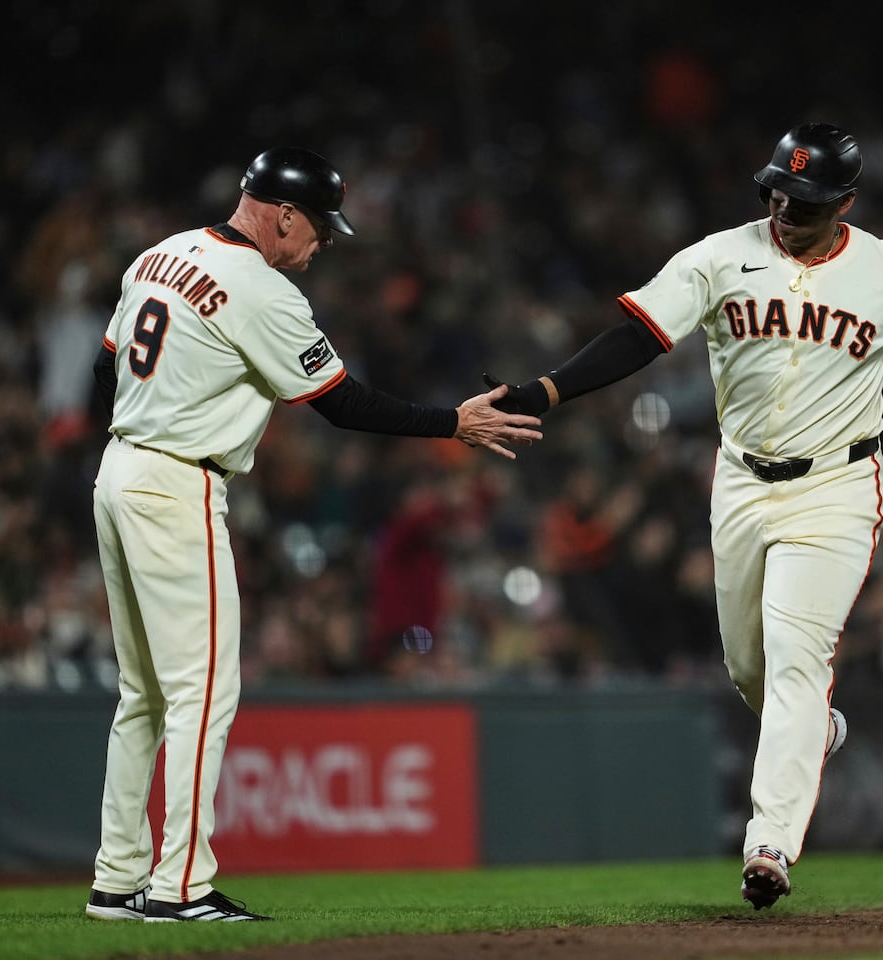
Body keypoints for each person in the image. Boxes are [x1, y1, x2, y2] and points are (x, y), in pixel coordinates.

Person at [485, 122, 883, 910]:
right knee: (747, 668)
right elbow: (638, 336)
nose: (784, 209)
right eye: (777, 192)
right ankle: (815, 731)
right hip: (740, 483)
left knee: (797, 655)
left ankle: (769, 843)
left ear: (844, 203)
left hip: (836, 488)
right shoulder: (719, 256)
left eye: (804, 201)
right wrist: (546, 391)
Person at [84, 146, 542, 923]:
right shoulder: (262, 289)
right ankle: (179, 887)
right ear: (284, 215)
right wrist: (450, 423)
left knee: (144, 694)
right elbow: (342, 403)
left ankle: (117, 877)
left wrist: (147, 427)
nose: (324, 243)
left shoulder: (160, 253)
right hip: (177, 483)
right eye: (320, 228)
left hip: (119, 468)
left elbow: (104, 374)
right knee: (202, 690)